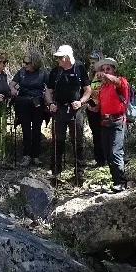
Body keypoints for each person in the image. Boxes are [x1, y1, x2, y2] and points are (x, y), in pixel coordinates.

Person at [43, 44, 92, 181]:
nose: (57, 60)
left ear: (66, 57)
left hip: (75, 111)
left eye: (59, 57)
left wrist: (81, 102)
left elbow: (88, 90)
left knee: (77, 141)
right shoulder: (55, 72)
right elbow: (48, 91)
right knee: (57, 141)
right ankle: (55, 172)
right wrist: (50, 103)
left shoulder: (80, 68)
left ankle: (79, 172)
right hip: (59, 110)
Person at [93, 57, 133, 191]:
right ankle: (116, 180)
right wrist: (91, 107)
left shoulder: (121, 81)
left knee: (116, 152)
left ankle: (121, 182)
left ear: (114, 70)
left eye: (108, 69)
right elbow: (99, 106)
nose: (105, 72)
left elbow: (115, 81)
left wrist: (105, 75)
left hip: (117, 122)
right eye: (103, 69)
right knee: (108, 153)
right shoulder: (103, 87)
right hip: (105, 123)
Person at [11, 52, 48, 167]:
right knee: (25, 128)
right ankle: (26, 155)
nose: (25, 65)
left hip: (37, 103)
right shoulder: (21, 72)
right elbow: (11, 84)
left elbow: (49, 88)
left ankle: (35, 156)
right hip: (23, 103)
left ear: (35, 63)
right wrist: (14, 91)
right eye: (24, 62)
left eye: (28, 63)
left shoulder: (43, 73)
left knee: (37, 129)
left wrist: (48, 101)